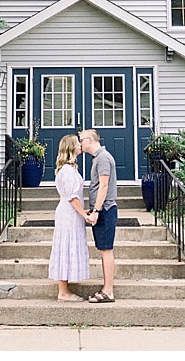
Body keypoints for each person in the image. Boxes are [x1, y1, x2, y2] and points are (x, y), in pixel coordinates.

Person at [48, 133, 91, 301]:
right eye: (78, 143)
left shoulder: (71, 168)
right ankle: (63, 291)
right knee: (65, 247)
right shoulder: (67, 170)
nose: (81, 145)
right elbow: (72, 197)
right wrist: (84, 214)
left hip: (72, 213)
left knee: (68, 247)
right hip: (68, 214)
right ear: (71, 147)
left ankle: (65, 289)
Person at [80, 128, 117, 303]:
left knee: (106, 250)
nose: (80, 144)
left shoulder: (102, 158)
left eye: (81, 140)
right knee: (103, 249)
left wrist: (96, 211)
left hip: (106, 210)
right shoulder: (99, 158)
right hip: (102, 209)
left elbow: (104, 186)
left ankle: (108, 291)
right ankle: (106, 288)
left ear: (89, 140)